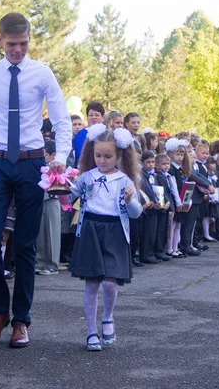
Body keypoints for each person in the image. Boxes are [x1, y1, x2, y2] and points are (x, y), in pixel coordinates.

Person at [0, 12, 71, 348]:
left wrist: (61, 160)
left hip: (32, 163)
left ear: (29, 40)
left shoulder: (42, 73)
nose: (18, 50)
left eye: (23, 43)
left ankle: (21, 320)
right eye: (12, 44)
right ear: (0, 42)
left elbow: (63, 121)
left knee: (24, 246)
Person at [68, 126, 142, 351]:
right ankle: (91, 331)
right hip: (90, 230)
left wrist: (130, 201)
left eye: (108, 156)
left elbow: (136, 212)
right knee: (92, 283)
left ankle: (108, 316)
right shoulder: (86, 177)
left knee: (110, 283)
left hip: (114, 232)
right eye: (98, 155)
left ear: (119, 155)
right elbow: (69, 198)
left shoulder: (124, 181)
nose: (102, 160)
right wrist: (58, 184)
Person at [35, 140, 61, 276]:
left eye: (44, 154)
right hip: (41, 199)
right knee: (41, 233)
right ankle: (40, 261)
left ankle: (52, 263)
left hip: (52, 199)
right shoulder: (41, 166)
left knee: (52, 233)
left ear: (52, 155)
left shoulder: (57, 167)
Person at [165, 138, 189, 258]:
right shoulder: (172, 169)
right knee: (172, 225)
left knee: (178, 225)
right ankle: (169, 249)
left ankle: (175, 247)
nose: (180, 157)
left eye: (182, 154)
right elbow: (174, 187)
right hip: (175, 200)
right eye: (177, 154)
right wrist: (179, 202)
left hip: (181, 199)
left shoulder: (180, 169)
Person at [138, 150, 161, 264]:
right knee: (147, 232)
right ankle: (145, 254)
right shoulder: (142, 175)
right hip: (148, 206)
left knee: (152, 231)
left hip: (155, 205)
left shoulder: (153, 175)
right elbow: (146, 190)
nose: (151, 164)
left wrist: (159, 200)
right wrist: (152, 200)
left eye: (153, 162)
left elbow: (157, 189)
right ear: (142, 163)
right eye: (148, 162)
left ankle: (150, 253)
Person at [154, 153, 175, 258]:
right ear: (157, 165)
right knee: (161, 229)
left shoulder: (167, 176)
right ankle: (159, 250)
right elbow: (163, 192)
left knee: (165, 228)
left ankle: (162, 250)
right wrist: (168, 203)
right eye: (164, 164)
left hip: (167, 206)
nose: (166, 166)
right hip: (163, 206)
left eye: (168, 163)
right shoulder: (159, 176)